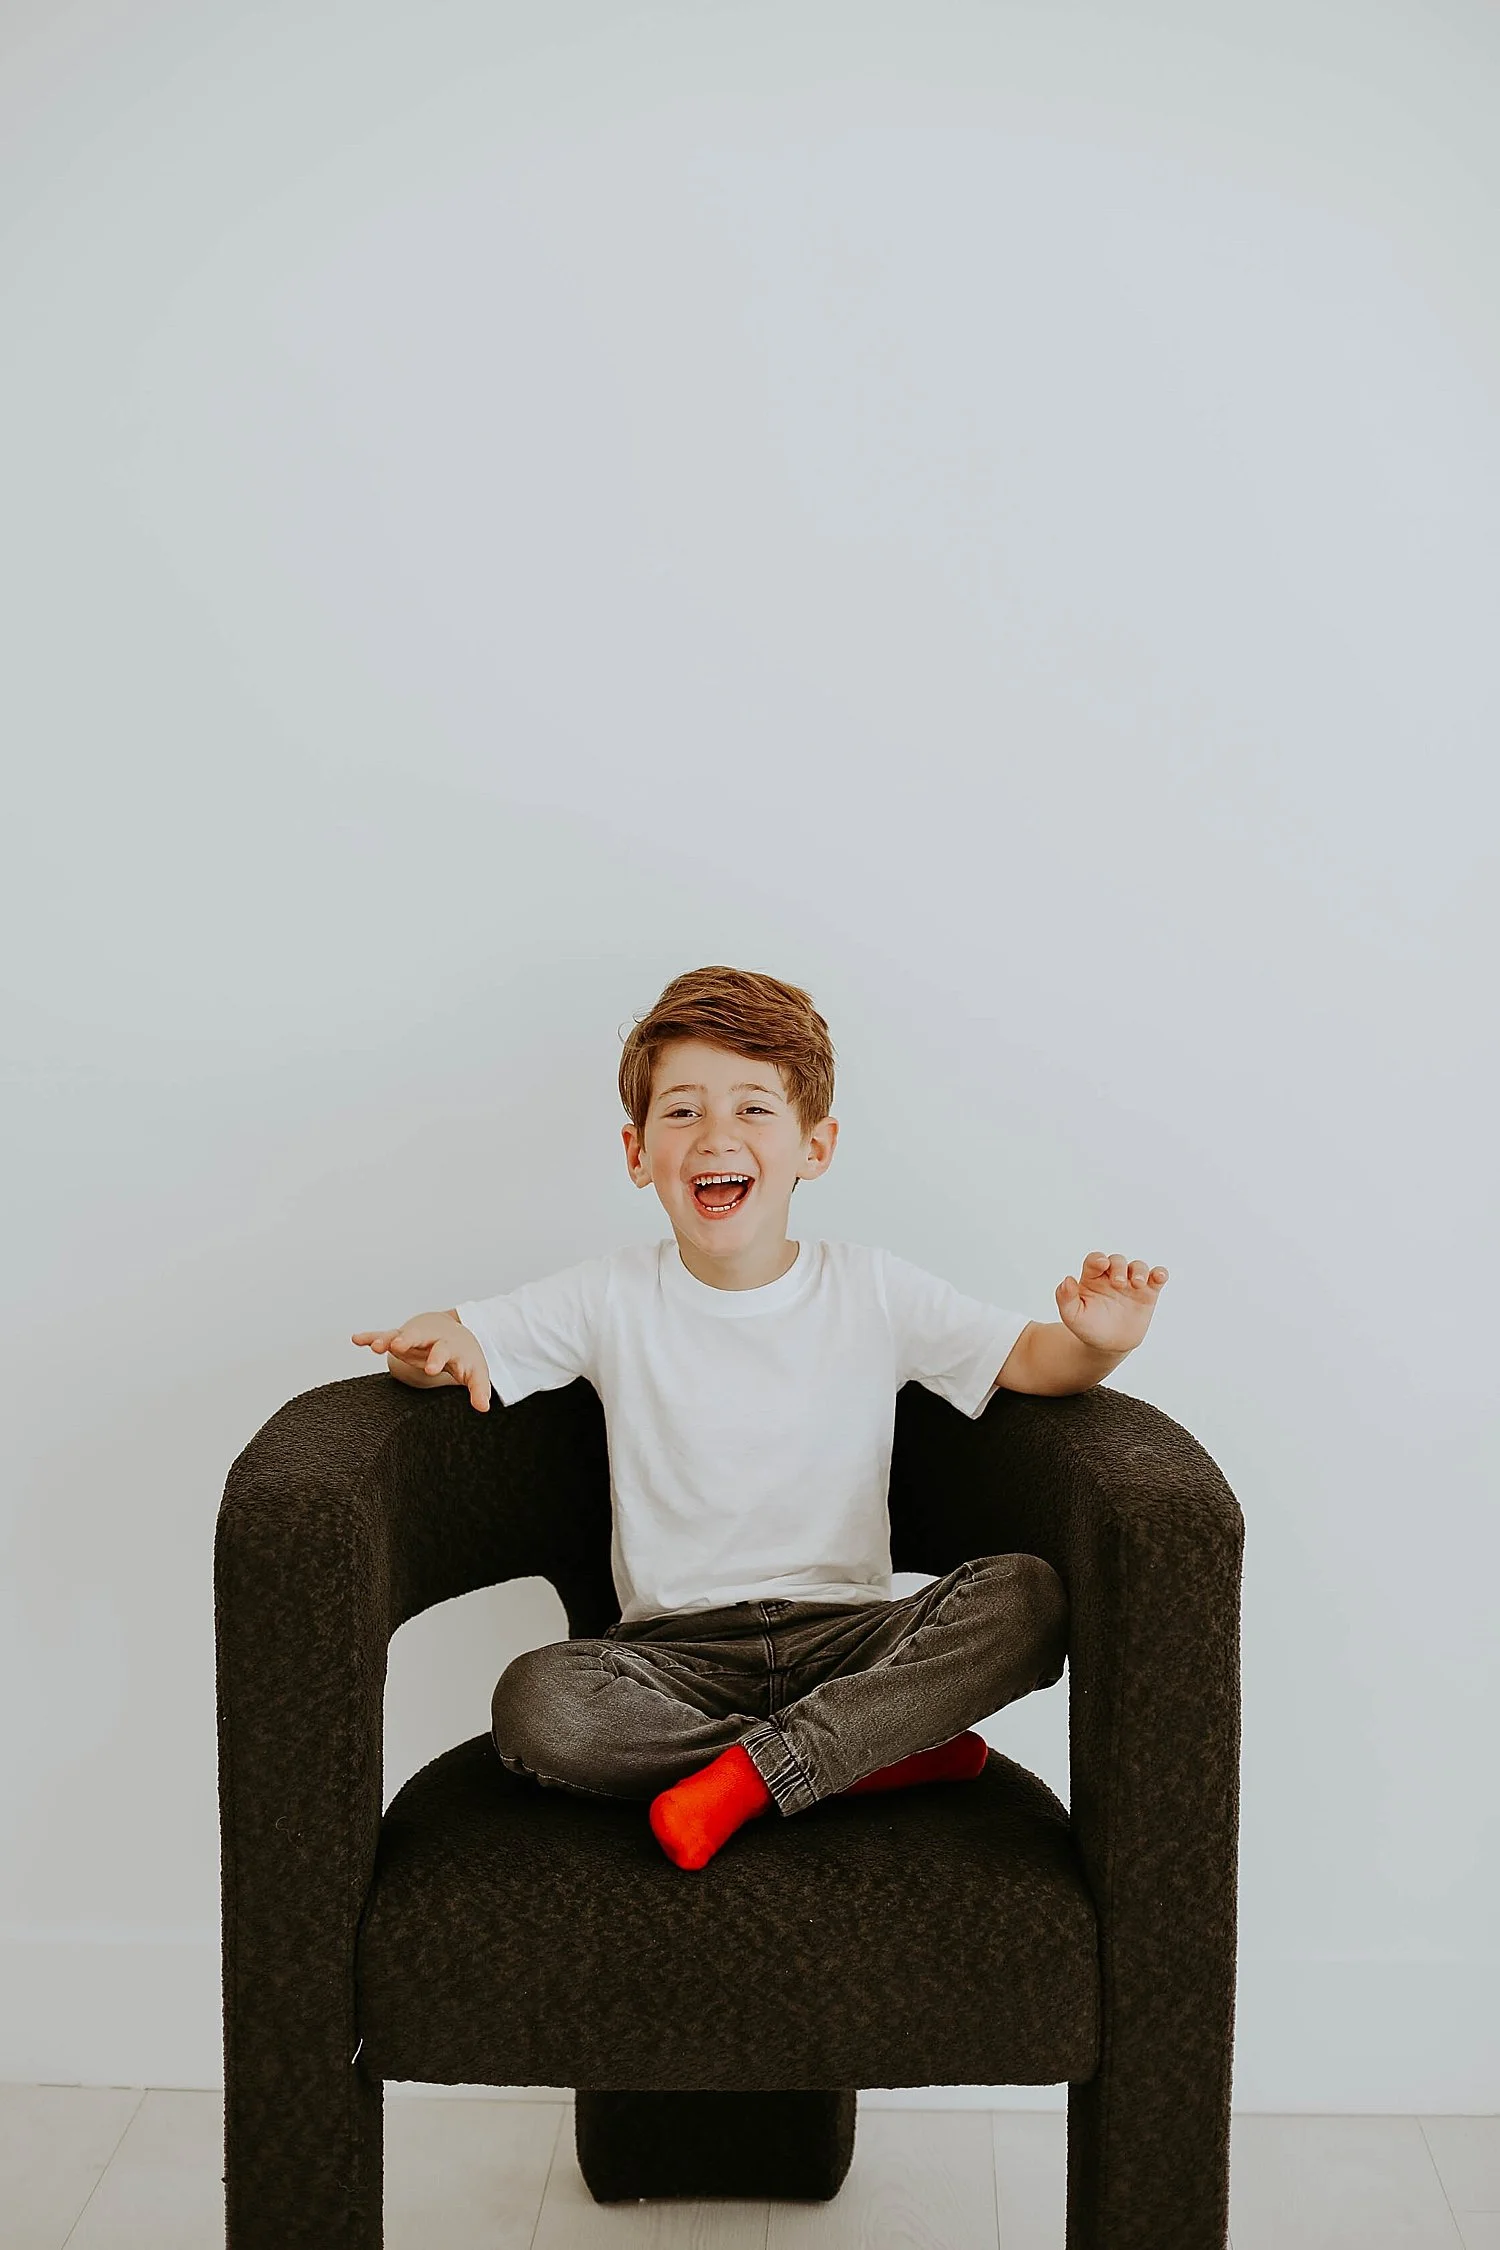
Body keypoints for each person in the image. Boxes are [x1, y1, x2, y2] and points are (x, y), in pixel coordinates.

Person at [352, 964, 1168, 1871]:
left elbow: (1029, 1359)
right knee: (536, 1701)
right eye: (683, 1111)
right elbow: (459, 1336)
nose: (715, 1136)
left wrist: (1100, 1343)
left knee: (1030, 1597)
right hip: (677, 1658)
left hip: (851, 1638)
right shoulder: (609, 1295)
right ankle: (852, 1759)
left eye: (752, 1109)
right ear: (636, 1153)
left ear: (814, 1147)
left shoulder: (873, 1287)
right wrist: (423, 1350)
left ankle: (754, 1777)